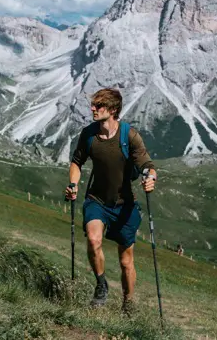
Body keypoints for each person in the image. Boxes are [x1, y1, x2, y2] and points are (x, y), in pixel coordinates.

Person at [65, 88, 157, 315]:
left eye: (99, 106)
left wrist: (151, 179)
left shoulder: (129, 136)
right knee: (94, 240)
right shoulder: (88, 135)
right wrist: (74, 184)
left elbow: (147, 165)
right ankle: (101, 284)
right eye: (93, 105)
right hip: (96, 200)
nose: (93, 109)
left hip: (124, 205)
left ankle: (128, 304)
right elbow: (77, 162)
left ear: (113, 110)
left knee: (126, 262)